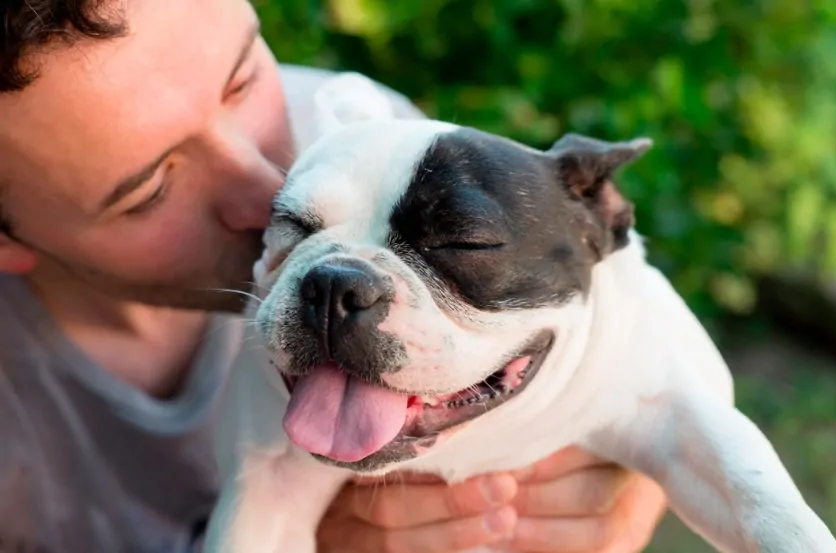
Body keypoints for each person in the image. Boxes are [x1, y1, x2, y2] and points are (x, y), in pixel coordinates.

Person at [0, 1, 668, 552]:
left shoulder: (369, 135)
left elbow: (632, 355)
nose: (269, 189)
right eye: (149, 191)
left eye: (242, 80)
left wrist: (629, 484)